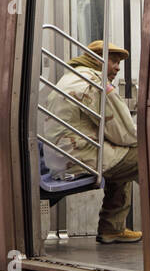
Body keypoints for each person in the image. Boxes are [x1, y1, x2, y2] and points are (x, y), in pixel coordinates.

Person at [43, 40, 142, 244]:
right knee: (147, 158)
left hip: (62, 159)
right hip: (81, 158)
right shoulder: (94, 81)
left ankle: (112, 229)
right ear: (97, 59)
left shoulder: (69, 78)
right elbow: (124, 132)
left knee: (121, 160)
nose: (117, 67)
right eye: (113, 61)